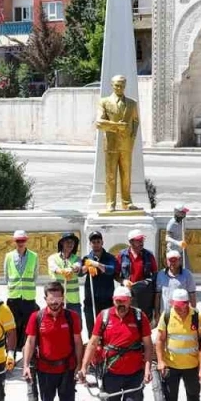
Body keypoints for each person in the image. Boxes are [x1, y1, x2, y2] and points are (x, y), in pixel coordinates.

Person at [80, 285, 155, 401]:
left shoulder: (139, 317)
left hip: (134, 374)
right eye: (117, 301)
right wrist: (83, 367)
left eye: (124, 301)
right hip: (111, 374)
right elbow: (92, 343)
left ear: (130, 301)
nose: (121, 305)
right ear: (113, 301)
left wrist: (147, 369)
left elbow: (148, 345)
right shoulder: (104, 316)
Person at [22, 282, 84, 401]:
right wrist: (25, 365)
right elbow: (30, 342)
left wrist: (80, 366)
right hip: (45, 370)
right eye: (51, 298)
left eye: (58, 298)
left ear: (63, 298)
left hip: (67, 369)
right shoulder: (37, 317)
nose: (55, 302)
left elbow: (78, 342)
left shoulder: (72, 317)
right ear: (45, 299)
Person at [155, 288, 201, 401]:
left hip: (192, 365)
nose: (178, 309)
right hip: (171, 365)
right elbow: (160, 340)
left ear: (187, 303)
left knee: (193, 394)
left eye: (181, 306)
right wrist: (160, 361)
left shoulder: (198, 317)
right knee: (170, 396)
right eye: (175, 306)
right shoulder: (167, 315)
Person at [95, 75, 141, 211]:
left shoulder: (132, 103)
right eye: (117, 85)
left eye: (122, 86)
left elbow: (136, 121)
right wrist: (116, 126)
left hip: (126, 145)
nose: (119, 88)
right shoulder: (104, 102)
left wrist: (132, 138)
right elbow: (99, 123)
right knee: (110, 175)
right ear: (112, 85)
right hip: (111, 144)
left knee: (126, 175)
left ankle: (127, 202)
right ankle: (110, 202)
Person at [3, 230, 39, 352]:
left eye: (22, 240)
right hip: (14, 296)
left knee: (28, 324)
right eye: (18, 240)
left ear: (26, 240)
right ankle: (13, 349)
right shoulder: (8, 256)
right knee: (13, 324)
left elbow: (35, 275)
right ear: (15, 241)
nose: (20, 243)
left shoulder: (34, 256)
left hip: (28, 297)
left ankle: (26, 349)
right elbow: (6, 276)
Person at [118, 229, 159, 320]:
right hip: (128, 292)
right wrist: (123, 281)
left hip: (144, 293)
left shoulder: (149, 255)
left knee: (144, 318)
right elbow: (115, 274)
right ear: (131, 242)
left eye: (142, 240)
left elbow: (155, 273)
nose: (141, 242)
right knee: (128, 318)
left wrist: (147, 282)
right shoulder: (122, 255)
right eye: (138, 240)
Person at [80, 231, 118, 326]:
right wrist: (87, 266)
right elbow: (80, 273)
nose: (96, 244)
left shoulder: (110, 257)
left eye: (98, 242)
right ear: (90, 244)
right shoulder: (87, 258)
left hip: (107, 301)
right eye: (93, 242)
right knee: (92, 329)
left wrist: (97, 264)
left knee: (107, 328)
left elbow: (111, 270)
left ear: (102, 242)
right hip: (91, 300)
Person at [46, 232, 83, 317]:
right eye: (68, 242)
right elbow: (54, 268)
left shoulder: (77, 258)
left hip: (73, 300)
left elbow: (77, 266)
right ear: (62, 243)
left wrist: (72, 269)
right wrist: (62, 271)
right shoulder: (52, 258)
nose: (70, 244)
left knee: (76, 324)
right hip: (57, 300)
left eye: (72, 242)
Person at [156, 249, 197, 315]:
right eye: (170, 261)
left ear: (180, 260)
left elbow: (192, 294)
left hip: (181, 314)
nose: (173, 263)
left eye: (175, 260)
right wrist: (157, 313)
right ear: (167, 261)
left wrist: (193, 313)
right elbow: (158, 295)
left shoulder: (187, 275)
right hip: (165, 314)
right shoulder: (161, 274)